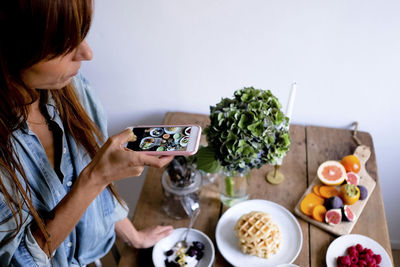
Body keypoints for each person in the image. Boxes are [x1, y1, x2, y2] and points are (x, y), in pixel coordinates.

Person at [0, 0, 174, 266]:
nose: (87, 53)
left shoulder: (73, 89)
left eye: (81, 34)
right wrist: (95, 176)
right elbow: (17, 261)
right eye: (62, 45)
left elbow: (101, 196)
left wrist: (134, 237)